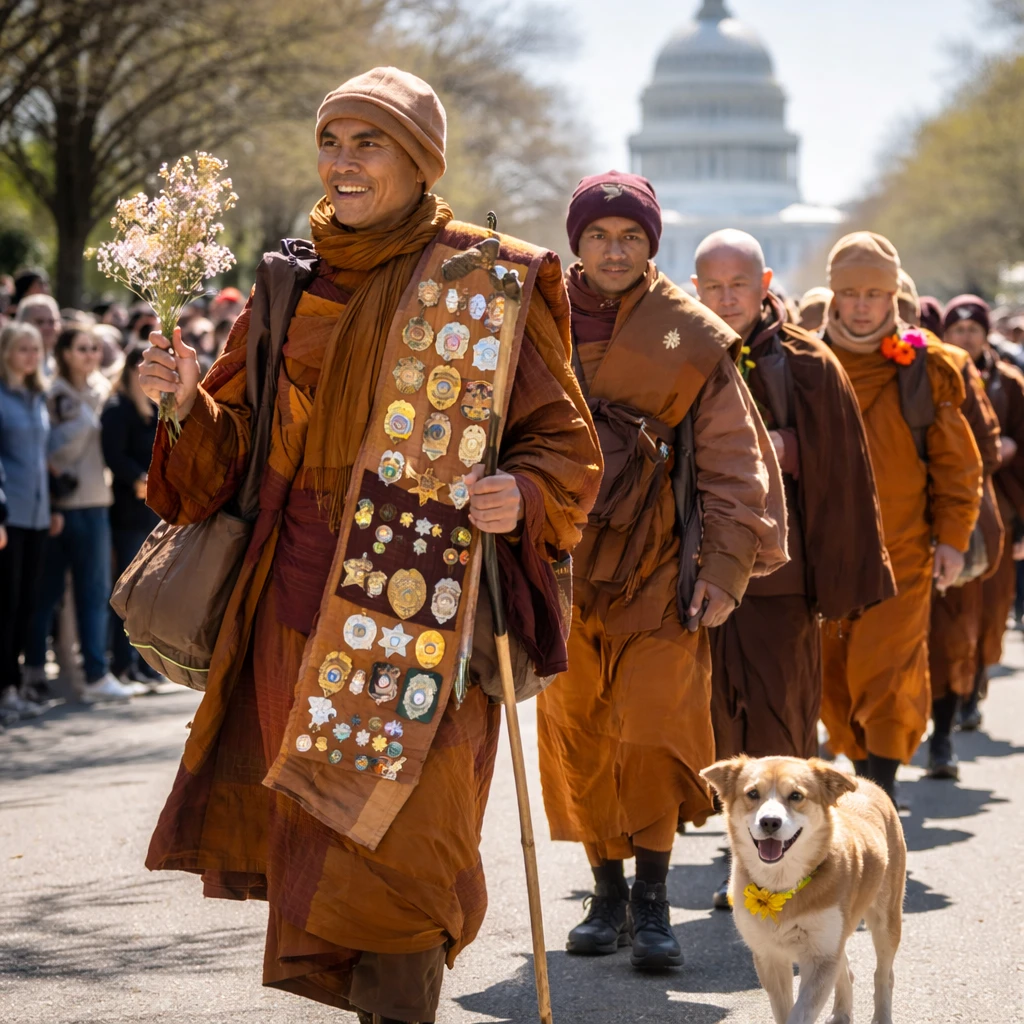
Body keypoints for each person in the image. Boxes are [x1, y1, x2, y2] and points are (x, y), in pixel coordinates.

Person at [139, 67, 601, 1024]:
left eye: (370, 143)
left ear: (423, 161)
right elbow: (231, 464)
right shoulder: (287, 281)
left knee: (410, 846)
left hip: (426, 609)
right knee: (327, 845)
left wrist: (523, 490)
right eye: (332, 141)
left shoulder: (489, 278)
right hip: (295, 608)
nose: (343, 163)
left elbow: (565, 443)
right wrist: (189, 405)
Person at [536, 172, 787, 970]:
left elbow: (732, 461)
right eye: (601, 236)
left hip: (657, 565)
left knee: (648, 731)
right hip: (559, 562)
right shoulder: (531, 320)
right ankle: (603, 893)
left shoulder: (689, 332)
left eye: (632, 238)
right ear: (578, 242)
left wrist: (725, 565)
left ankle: (652, 901)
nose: (616, 251)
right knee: (579, 733)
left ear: (653, 245)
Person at [691, 229, 894, 900]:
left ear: (765, 282)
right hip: (699, 569)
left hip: (783, 576)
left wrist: (785, 447)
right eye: (713, 287)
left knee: (780, 717)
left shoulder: (807, 363)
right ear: (696, 289)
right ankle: (745, 864)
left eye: (739, 286)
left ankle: (795, 868)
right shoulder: (679, 350)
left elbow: (842, 468)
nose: (727, 298)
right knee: (719, 720)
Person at [819, 233, 982, 803]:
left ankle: (879, 790)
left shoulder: (927, 368)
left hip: (903, 552)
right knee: (832, 681)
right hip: (823, 554)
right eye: (850, 293)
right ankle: (861, 770)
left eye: (874, 293)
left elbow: (959, 467)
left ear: (893, 297)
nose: (862, 305)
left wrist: (954, 540)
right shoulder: (800, 360)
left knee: (886, 673)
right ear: (833, 296)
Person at [24, 327, 139, 703]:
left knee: (94, 593)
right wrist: (86, 420)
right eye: (82, 349)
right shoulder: (54, 393)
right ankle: (34, 672)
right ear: (65, 353)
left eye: (94, 348)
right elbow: (53, 452)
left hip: (96, 503)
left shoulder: (103, 391)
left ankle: (95, 673)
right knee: (47, 594)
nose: (91, 355)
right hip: (60, 509)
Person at [943, 294, 1024, 733]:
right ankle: (951, 698)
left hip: (999, 510)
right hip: (948, 509)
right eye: (958, 330)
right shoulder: (936, 373)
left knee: (991, 613)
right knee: (953, 612)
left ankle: (973, 685)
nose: (966, 337)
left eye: (973, 329)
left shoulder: (1009, 381)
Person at [0, 322, 59, 721]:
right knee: (5, 604)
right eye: (23, 349)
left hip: (38, 515)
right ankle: (4, 690)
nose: (31, 356)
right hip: (10, 516)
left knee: (27, 604)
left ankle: (15, 684)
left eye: (35, 349)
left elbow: (42, 461)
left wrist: (54, 506)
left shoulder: (38, 396)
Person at [101, 345, 163, 691]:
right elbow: (113, 454)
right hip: (127, 509)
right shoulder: (117, 409)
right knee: (126, 592)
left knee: (148, 592)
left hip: (150, 511)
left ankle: (142, 662)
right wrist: (139, 479)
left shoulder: (153, 408)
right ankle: (123, 663)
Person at [15, 293, 61, 363]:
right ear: (23, 324)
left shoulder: (59, 366)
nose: (47, 328)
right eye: (40, 322)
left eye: (51, 322)